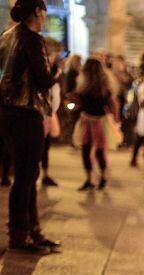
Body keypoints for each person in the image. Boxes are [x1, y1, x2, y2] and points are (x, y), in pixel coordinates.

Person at [0, 0, 62, 253]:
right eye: (44, 10)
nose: (45, 16)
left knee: (26, 174)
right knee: (26, 176)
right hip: (27, 113)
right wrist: (57, 68)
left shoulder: (6, 36)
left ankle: (32, 230)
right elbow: (44, 80)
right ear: (38, 11)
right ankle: (20, 235)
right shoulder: (32, 39)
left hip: (6, 113)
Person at [72, 57, 118, 190]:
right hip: (98, 121)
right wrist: (115, 119)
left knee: (87, 150)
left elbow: (78, 103)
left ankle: (90, 179)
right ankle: (101, 178)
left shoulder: (84, 85)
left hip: (89, 120)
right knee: (98, 151)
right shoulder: (104, 86)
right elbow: (112, 104)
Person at [40, 37, 62, 187]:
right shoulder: (43, 67)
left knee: (45, 146)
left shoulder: (52, 68)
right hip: (41, 113)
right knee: (39, 145)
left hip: (49, 112)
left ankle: (45, 174)